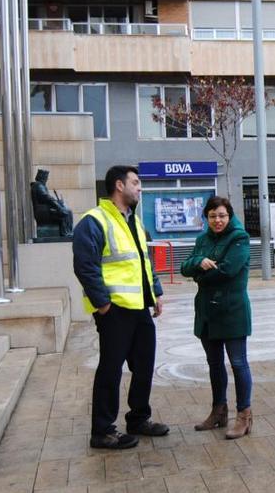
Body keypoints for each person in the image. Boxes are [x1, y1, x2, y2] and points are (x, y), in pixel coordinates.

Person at [72, 166, 168, 449]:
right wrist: (103, 305)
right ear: (118, 185)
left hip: (139, 308)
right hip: (114, 311)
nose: (140, 188)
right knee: (111, 371)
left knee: (144, 366)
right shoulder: (94, 221)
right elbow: (85, 267)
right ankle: (102, 431)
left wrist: (157, 293)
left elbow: (144, 262)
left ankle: (138, 419)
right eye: (135, 183)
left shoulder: (133, 221)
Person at [181, 196, 254, 439]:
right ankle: (218, 411)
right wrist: (198, 262)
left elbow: (228, 270)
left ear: (229, 215)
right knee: (214, 364)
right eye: (212, 216)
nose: (217, 220)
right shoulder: (202, 240)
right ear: (207, 218)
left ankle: (244, 416)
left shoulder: (239, 238)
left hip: (232, 310)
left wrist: (199, 275)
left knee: (238, 363)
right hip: (207, 312)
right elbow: (185, 266)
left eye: (222, 215)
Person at [31, 168, 74, 237]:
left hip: (44, 210)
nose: (46, 180)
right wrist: (59, 207)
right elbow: (47, 198)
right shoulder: (39, 186)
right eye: (46, 178)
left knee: (67, 211)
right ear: (42, 177)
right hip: (42, 212)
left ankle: (68, 231)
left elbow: (47, 199)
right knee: (67, 212)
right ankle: (65, 233)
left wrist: (58, 202)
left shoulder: (39, 186)